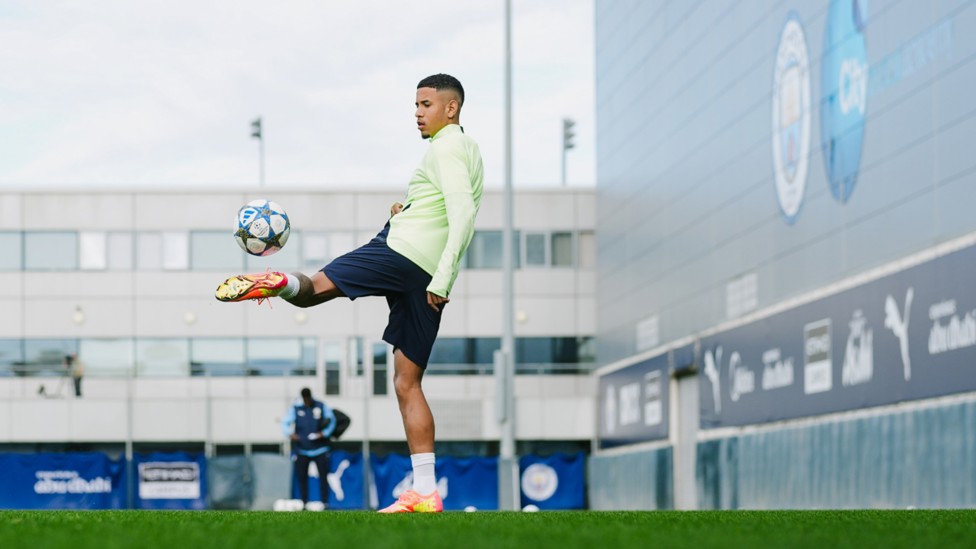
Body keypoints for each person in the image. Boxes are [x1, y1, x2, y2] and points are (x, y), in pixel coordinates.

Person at [215, 73, 483, 514]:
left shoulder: (447, 146)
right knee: (407, 382)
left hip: (403, 252)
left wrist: (444, 277)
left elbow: (463, 213)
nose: (418, 112)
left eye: (426, 104)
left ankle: (278, 282)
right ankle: (426, 492)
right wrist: (412, 217)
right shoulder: (467, 150)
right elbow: (450, 205)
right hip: (425, 270)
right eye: (416, 105)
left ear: (450, 108)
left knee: (316, 288)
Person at [281, 387, 337, 509]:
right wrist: (290, 434)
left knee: (323, 477)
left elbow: (332, 420)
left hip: (320, 449)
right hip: (302, 449)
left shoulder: (320, 406)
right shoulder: (296, 408)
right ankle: (304, 502)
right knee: (302, 477)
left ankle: (325, 502)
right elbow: (285, 422)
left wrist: (324, 433)